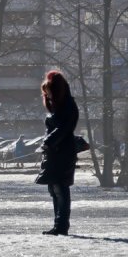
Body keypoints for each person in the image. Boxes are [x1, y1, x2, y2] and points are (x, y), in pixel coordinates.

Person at [35, 70, 79, 236]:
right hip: (54, 153)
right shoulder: (56, 106)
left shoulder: (68, 106)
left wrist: (49, 142)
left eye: (49, 92)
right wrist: (47, 143)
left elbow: (64, 128)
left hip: (63, 153)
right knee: (53, 189)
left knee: (60, 188)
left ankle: (61, 226)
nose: (48, 96)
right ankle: (58, 225)